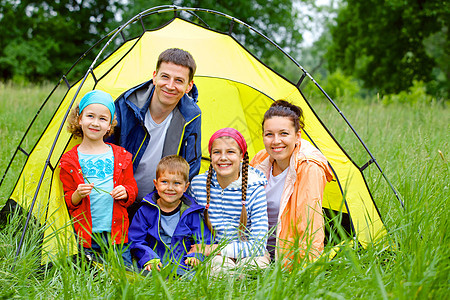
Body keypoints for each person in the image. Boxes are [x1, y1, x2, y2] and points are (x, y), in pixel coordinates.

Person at [106, 48, 202, 220]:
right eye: (165, 77)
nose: (170, 86)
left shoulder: (191, 115)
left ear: (189, 86)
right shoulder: (126, 104)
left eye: (179, 80)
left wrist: (167, 203)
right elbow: (104, 149)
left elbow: (190, 166)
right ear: (154, 76)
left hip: (159, 204)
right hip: (117, 198)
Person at [59, 90, 138, 267]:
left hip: (116, 235)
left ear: (110, 126)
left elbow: (132, 188)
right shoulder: (69, 160)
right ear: (80, 119)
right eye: (90, 116)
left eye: (102, 119)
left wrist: (125, 192)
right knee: (90, 275)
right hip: (86, 236)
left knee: (123, 274)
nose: (95, 123)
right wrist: (78, 194)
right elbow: (68, 200)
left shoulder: (121, 156)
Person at [250, 100, 333, 267]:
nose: (276, 141)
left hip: (285, 259)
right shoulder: (260, 160)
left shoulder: (309, 168)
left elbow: (309, 224)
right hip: (252, 249)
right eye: (269, 134)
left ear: (297, 136)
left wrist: (306, 270)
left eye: (283, 134)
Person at [189, 128, 270, 275]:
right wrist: (209, 251)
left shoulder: (254, 188)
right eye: (217, 152)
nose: (223, 158)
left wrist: (217, 249)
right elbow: (191, 226)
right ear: (211, 156)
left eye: (230, 152)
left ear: (241, 156)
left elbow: (258, 245)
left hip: (249, 252)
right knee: (220, 268)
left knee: (255, 266)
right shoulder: (198, 185)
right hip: (212, 254)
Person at [128, 155, 213, 274]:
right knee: (146, 282)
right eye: (164, 182)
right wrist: (148, 258)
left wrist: (196, 255)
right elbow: (136, 239)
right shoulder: (145, 210)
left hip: (183, 265)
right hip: (154, 264)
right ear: (156, 184)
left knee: (189, 282)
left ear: (185, 187)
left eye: (177, 183)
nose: (170, 188)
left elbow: (204, 239)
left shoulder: (191, 213)